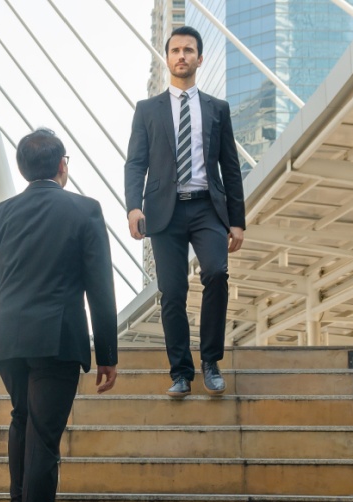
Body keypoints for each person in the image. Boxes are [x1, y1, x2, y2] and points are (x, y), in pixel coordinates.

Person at [0, 128, 118, 502]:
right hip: (56, 340)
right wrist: (107, 353)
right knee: (44, 442)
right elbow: (100, 288)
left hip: (7, 340)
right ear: (62, 166)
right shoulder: (85, 209)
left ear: (20, 169)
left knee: (22, 418)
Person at [125, 25, 246, 398]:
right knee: (172, 293)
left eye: (188, 50)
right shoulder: (147, 110)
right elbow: (136, 163)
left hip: (207, 209)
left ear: (199, 58)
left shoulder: (217, 109)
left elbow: (230, 165)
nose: (182, 56)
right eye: (175, 50)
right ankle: (181, 372)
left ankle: (211, 362)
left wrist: (237, 221)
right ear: (167, 57)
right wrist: (132, 207)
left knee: (216, 273)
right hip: (164, 212)